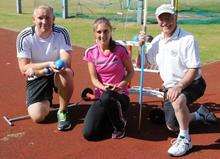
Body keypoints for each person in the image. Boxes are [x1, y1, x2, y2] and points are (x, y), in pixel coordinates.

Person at [137, 4, 217, 157]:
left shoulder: (187, 39)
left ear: (175, 17)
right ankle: (199, 114)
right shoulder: (157, 41)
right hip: (171, 86)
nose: (165, 22)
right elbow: (142, 64)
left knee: (178, 100)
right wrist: (141, 48)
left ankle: (185, 139)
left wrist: (179, 86)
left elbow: (193, 69)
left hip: (193, 83)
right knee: (172, 125)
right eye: (162, 18)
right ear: (157, 20)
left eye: (169, 17)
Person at [16, 5, 74, 131]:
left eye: (48, 18)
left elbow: (66, 59)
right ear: (33, 19)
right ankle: (45, 97)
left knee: (67, 72)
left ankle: (63, 111)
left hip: (57, 72)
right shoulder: (24, 36)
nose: (44, 21)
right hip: (38, 75)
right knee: (38, 117)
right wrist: (48, 65)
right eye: (40, 18)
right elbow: (24, 68)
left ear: (53, 19)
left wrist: (58, 65)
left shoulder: (62, 32)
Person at [83, 17, 134, 140]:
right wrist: (104, 87)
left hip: (120, 96)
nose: (103, 35)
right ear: (94, 33)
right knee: (89, 134)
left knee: (108, 96)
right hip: (102, 96)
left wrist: (121, 85)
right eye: (99, 32)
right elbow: (94, 80)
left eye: (106, 31)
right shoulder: (90, 52)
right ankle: (111, 119)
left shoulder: (120, 49)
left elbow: (131, 71)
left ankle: (120, 126)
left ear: (110, 31)